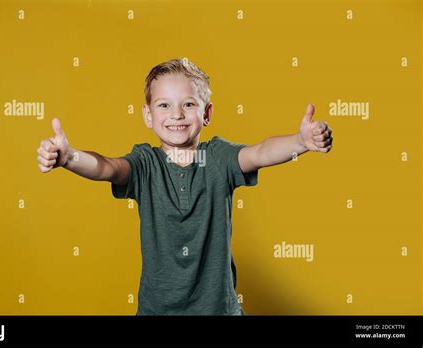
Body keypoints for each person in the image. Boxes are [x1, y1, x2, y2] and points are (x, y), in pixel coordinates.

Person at [37, 58, 333, 315]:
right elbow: (107, 167)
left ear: (207, 114)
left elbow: (260, 153)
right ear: (148, 115)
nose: (177, 114)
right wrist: (70, 157)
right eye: (164, 105)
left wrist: (300, 142)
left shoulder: (218, 158)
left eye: (188, 104)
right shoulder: (145, 163)